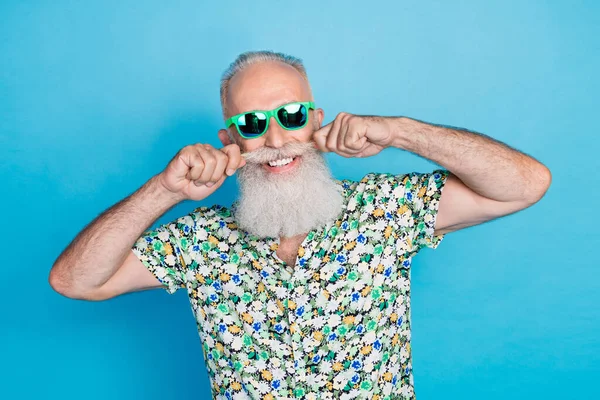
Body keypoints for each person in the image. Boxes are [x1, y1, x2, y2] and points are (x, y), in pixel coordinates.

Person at [49, 51, 551, 400]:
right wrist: (165, 189)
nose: (274, 136)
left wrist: (402, 132)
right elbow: (75, 280)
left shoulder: (384, 208)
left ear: (315, 120)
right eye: (251, 123)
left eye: (290, 114)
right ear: (231, 139)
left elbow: (525, 184)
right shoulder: (199, 240)